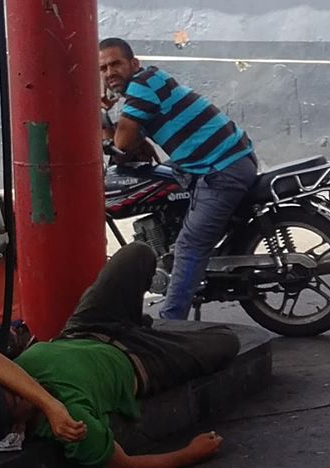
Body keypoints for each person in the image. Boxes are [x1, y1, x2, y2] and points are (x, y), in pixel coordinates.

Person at [0, 241, 229, 468]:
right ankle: (143, 329)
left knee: (138, 254)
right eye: (15, 398)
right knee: (226, 342)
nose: (17, 386)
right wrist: (189, 455)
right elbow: (126, 466)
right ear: (18, 425)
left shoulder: (28, 388)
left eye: (7, 384)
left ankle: (138, 321)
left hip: (86, 327)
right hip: (142, 359)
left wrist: (49, 404)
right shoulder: (72, 426)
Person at [105, 37, 260, 321]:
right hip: (224, 161)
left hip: (222, 168)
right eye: (103, 69)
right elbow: (128, 149)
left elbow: (123, 143)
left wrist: (100, 117)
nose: (109, 72)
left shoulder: (142, 84)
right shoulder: (148, 84)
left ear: (133, 63)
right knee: (169, 184)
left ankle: (171, 324)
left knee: (189, 247)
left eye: (116, 64)